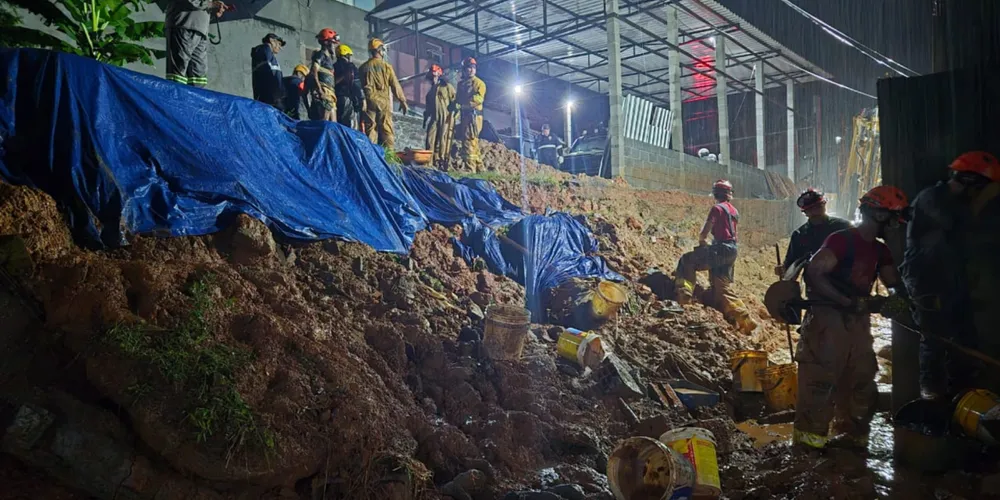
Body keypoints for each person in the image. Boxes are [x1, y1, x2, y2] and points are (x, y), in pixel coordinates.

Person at [794, 185, 910, 450]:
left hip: (857, 321)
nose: (894, 226)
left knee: (861, 377)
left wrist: (901, 299)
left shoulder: (880, 251)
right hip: (827, 319)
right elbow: (814, 274)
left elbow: (892, 282)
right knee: (820, 382)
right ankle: (808, 449)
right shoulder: (841, 240)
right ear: (877, 215)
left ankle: (851, 440)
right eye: (892, 220)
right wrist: (847, 301)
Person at [902, 152, 1000, 398]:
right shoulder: (932, 198)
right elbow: (957, 226)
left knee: (965, 338)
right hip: (927, 280)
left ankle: (962, 394)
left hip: (952, 278)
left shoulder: (956, 203)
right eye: (981, 188)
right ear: (969, 181)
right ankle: (931, 397)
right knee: (934, 338)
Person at [673, 180, 757, 334]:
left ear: (716, 193)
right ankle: (743, 316)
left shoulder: (717, 209)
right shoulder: (734, 211)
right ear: (729, 194)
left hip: (720, 247)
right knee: (721, 286)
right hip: (732, 250)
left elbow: (705, 232)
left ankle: (684, 296)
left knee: (687, 260)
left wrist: (702, 242)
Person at [776, 189, 853, 278]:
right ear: (805, 213)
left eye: (818, 207)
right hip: (814, 287)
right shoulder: (800, 235)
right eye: (811, 209)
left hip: (844, 284)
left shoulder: (844, 227)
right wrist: (784, 270)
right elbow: (792, 269)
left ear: (824, 205)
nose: (815, 212)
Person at [165, 0, 228, 88]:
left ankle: (194, 100)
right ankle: (175, 99)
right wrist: (210, 4)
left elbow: (201, 5)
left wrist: (213, 11)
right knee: (178, 73)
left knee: (199, 77)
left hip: (200, 30)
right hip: (183, 25)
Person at [359, 38, 408, 149]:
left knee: (371, 129)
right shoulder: (387, 67)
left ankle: (371, 155)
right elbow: (395, 85)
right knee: (386, 129)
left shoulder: (363, 67)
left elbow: (361, 85)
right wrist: (402, 100)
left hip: (369, 101)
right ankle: (389, 157)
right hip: (383, 101)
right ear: (380, 50)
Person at [453, 57, 487, 171]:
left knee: (469, 140)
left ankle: (470, 169)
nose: (471, 70)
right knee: (473, 142)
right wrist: (455, 110)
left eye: (473, 68)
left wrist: (463, 105)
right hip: (465, 116)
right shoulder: (461, 84)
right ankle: (480, 169)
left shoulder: (479, 83)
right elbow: (458, 99)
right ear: (464, 70)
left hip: (474, 116)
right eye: (468, 68)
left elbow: (478, 99)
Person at [423, 64, 456, 166]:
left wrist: (454, 115)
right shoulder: (430, 93)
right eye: (431, 77)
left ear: (438, 75)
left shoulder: (447, 87)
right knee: (430, 138)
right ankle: (429, 161)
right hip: (434, 118)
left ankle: (442, 161)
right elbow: (428, 108)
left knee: (443, 139)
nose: (432, 78)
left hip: (445, 118)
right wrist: (425, 118)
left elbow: (455, 101)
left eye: (434, 76)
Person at [309, 28, 340, 121]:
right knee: (324, 121)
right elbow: (313, 72)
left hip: (330, 93)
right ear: (327, 43)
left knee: (333, 123)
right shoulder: (320, 55)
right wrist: (320, 90)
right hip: (324, 91)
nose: (334, 47)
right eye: (333, 43)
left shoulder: (328, 59)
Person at [333, 44, 364, 129]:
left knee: (339, 122)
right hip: (347, 98)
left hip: (336, 98)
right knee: (350, 125)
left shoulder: (334, 66)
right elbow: (356, 84)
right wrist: (360, 99)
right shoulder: (350, 66)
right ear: (347, 55)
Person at [251, 33, 286, 108]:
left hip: (272, 100)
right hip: (269, 100)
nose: (280, 48)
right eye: (279, 44)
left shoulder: (269, 55)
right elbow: (267, 75)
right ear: (271, 40)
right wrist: (275, 98)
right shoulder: (264, 50)